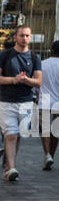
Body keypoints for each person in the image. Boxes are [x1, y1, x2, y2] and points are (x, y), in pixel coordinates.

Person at [0, 24, 42, 182]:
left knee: (17, 135)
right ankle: (11, 167)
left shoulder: (35, 57)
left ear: (30, 37)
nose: (24, 39)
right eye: (21, 35)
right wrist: (13, 80)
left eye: (27, 36)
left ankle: (8, 165)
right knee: (11, 134)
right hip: (6, 102)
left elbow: (38, 81)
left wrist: (26, 80)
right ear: (15, 37)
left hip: (26, 102)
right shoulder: (5, 55)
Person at [38, 39, 59, 170]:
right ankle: (51, 154)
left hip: (44, 100)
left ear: (51, 50)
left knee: (45, 130)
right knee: (56, 132)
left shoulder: (41, 64)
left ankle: (47, 155)